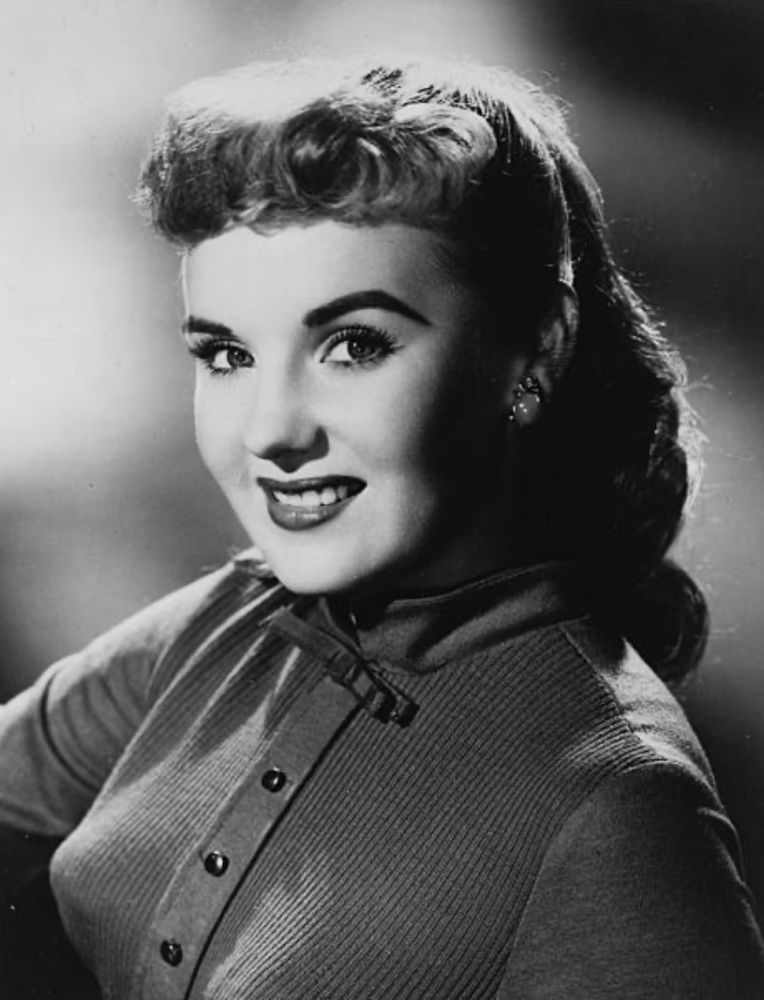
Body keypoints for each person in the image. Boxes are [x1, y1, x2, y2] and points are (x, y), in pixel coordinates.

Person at [1, 56, 763, 1000]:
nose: (271, 430)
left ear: (537, 349)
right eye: (227, 354)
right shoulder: (232, 620)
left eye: (354, 345)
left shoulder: (619, 804)